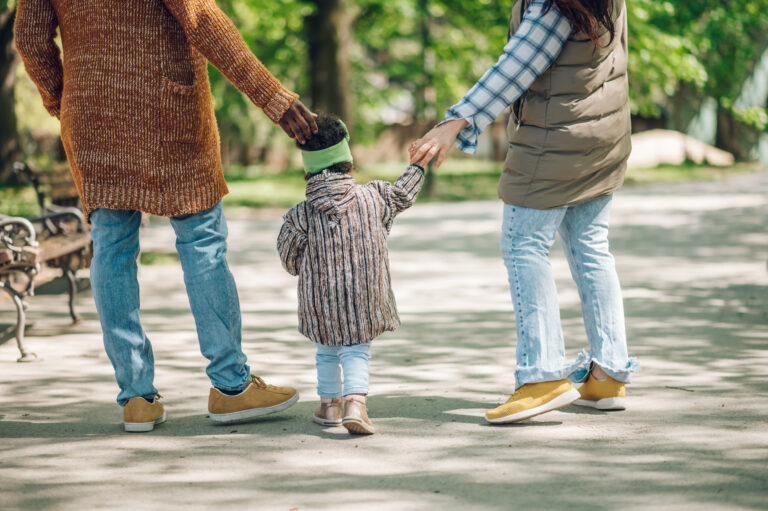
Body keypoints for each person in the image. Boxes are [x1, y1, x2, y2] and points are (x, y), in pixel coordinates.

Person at [14, 0, 318, 432]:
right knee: (202, 241)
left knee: (112, 246)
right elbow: (203, 20)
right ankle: (231, 387)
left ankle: (137, 397)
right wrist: (274, 99)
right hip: (167, 107)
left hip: (90, 114)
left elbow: (29, 39)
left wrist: (63, 98)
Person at [410, 0, 637, 424]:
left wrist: (455, 121)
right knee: (590, 247)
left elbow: (516, 65)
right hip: (603, 136)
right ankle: (608, 373)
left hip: (556, 142)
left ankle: (541, 377)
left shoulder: (554, 4)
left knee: (523, 244)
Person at [277, 115, 424, 435]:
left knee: (326, 348)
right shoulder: (376, 196)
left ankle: (329, 406)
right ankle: (355, 403)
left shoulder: (300, 215)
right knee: (356, 347)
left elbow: (288, 257)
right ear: (348, 162)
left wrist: (308, 267)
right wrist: (417, 167)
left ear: (309, 168)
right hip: (364, 295)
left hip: (321, 300)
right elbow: (404, 195)